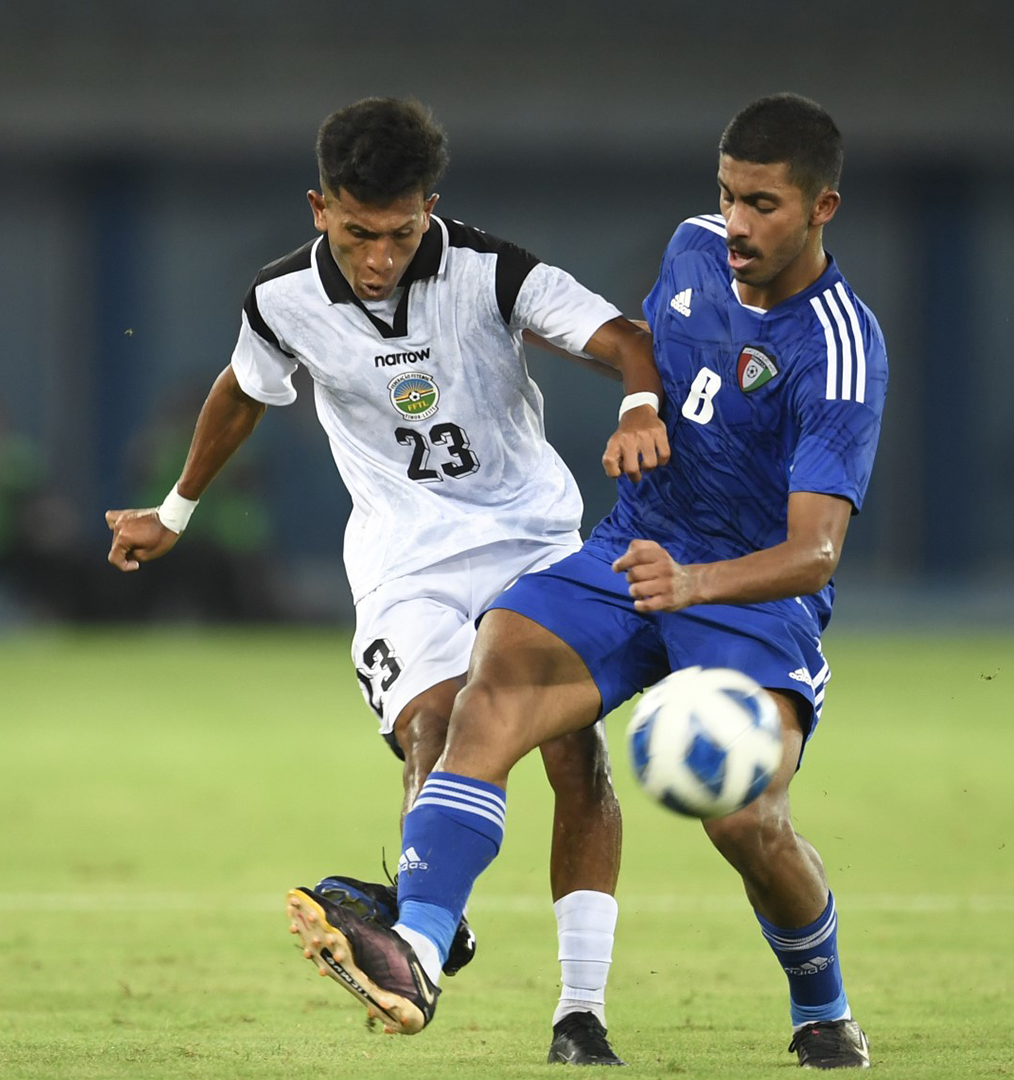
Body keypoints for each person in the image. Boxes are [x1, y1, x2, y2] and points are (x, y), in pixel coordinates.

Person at [287, 93, 887, 1070]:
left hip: (748, 600)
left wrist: (692, 584)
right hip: (629, 553)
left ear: (823, 209)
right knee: (494, 682)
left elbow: (815, 551)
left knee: (743, 819)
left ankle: (824, 1010)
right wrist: (638, 411)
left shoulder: (841, 348)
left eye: (765, 206)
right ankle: (422, 951)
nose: (737, 223)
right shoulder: (695, 248)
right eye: (729, 195)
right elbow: (653, 358)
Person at [105, 97, 670, 1065]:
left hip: (530, 540)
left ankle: (578, 1013)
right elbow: (243, 389)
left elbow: (621, 334)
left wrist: (641, 399)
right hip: (403, 558)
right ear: (319, 207)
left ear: (431, 207)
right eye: (360, 233)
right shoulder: (281, 299)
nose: (379, 258)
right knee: (436, 725)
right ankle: (426, 934)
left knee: (575, 757)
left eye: (402, 233)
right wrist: (177, 510)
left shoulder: (492, 271)